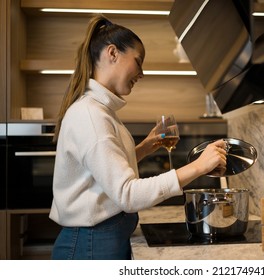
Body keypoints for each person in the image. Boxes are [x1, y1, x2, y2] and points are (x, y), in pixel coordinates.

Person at [49, 14, 227, 260]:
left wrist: (145, 147)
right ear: (113, 53)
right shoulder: (91, 115)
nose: (141, 73)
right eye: (138, 61)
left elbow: (101, 172)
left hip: (98, 239)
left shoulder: (98, 110)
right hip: (91, 245)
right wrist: (197, 167)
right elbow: (127, 194)